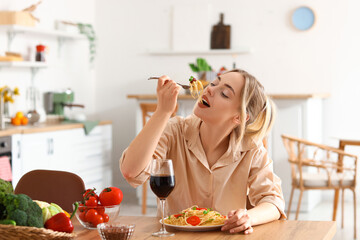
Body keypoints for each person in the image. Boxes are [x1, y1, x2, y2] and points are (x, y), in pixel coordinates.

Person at [120, 69, 286, 234]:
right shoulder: (174, 130)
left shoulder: (252, 149)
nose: (210, 89)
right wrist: (162, 112)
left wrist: (248, 217)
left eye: (225, 94)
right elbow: (131, 171)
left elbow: (273, 201)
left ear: (240, 117)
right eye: (214, 83)